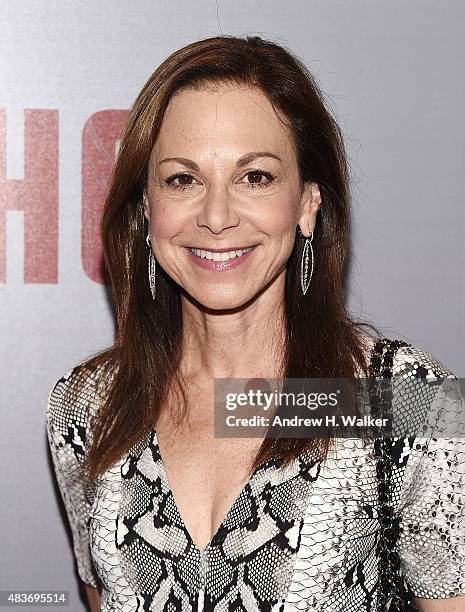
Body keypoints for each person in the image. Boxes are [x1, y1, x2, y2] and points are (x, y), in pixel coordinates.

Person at [45, 35, 465, 612]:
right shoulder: (87, 406)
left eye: (256, 177)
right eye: (182, 179)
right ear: (146, 208)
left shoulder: (403, 399)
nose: (217, 216)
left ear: (308, 203)